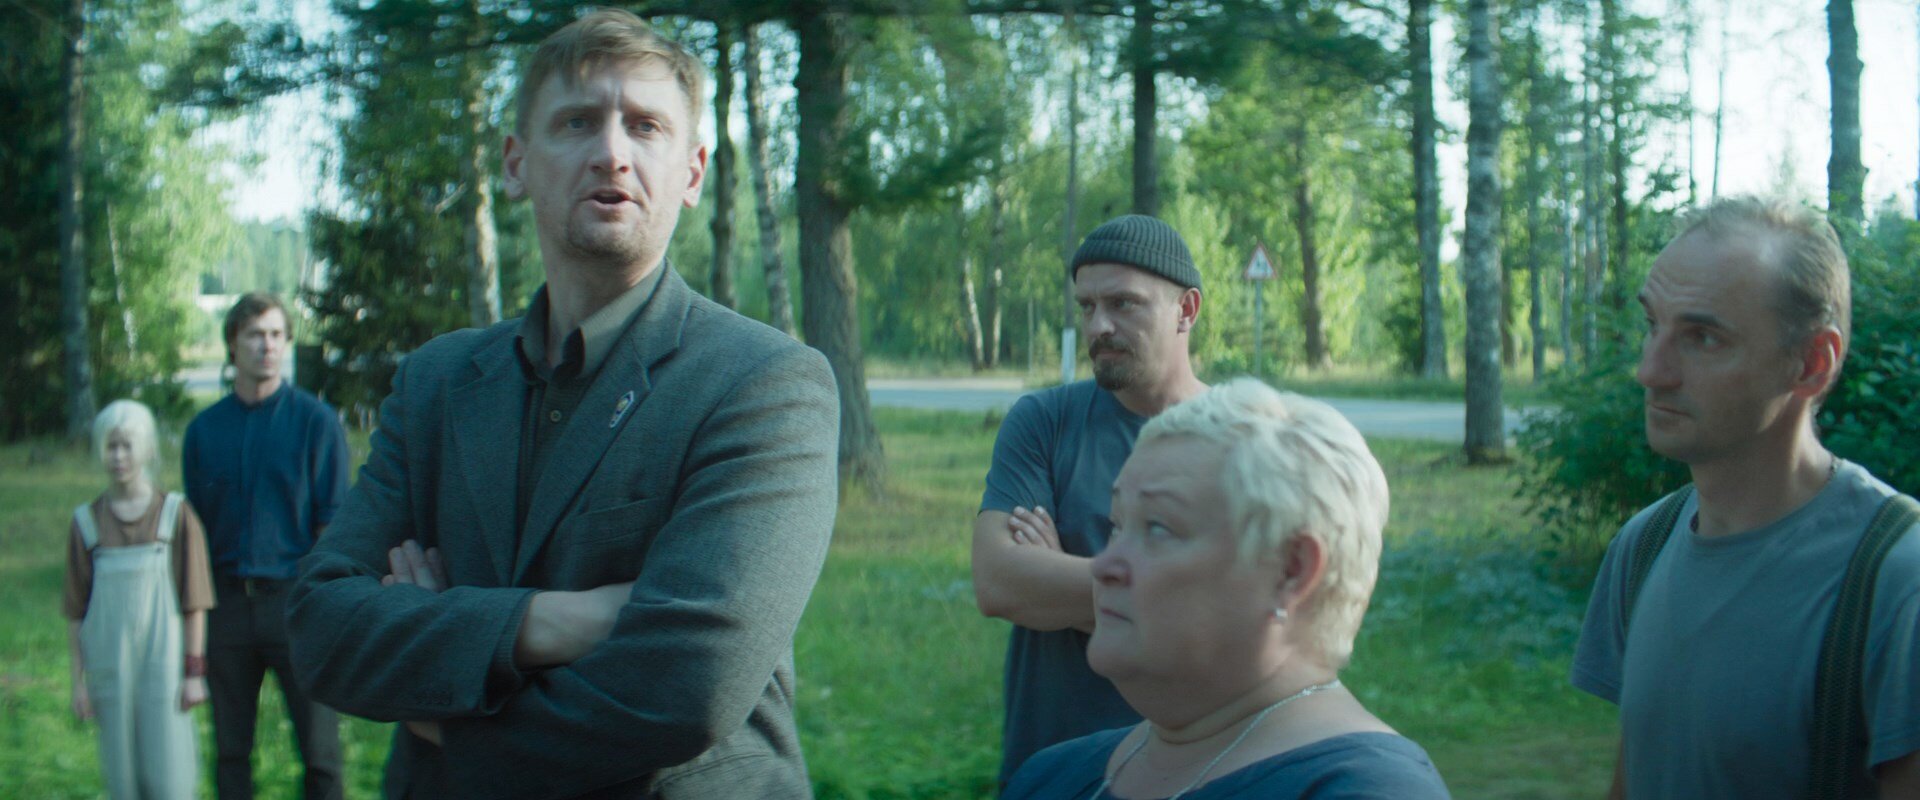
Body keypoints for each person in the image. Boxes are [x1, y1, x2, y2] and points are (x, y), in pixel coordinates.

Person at [284, 9, 839, 799]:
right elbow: (320, 628)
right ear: (516, 165)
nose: (612, 152)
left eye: (645, 125)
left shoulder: (764, 384)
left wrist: (440, 697)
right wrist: (558, 620)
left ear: (691, 174)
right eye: (577, 122)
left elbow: (689, 685)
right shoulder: (436, 383)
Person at [1571, 196, 1920, 798]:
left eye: (1703, 338)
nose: (1651, 371)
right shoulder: (1644, 547)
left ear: (1812, 363)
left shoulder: (1895, 580)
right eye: (1653, 325)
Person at [1004, 379, 1450, 799]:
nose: (1104, 566)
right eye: (1117, 525)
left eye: (1158, 528)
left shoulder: (1368, 790)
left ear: (1291, 571)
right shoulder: (1051, 775)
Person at [973, 213, 1208, 784]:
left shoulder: (1242, 438)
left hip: (1194, 769)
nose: (1098, 325)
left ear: (1185, 310)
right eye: (1086, 307)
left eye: (1123, 304)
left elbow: (1239, 618)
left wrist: (1059, 576)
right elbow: (999, 582)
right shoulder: (1045, 422)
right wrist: (1167, 598)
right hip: (1054, 766)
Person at [183, 291, 349, 800]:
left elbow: (333, 528)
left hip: (296, 604)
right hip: (227, 608)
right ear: (233, 344)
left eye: (277, 335)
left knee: (320, 754)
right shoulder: (203, 432)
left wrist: (323, 605)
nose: (268, 346)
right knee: (231, 753)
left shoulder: (316, 423)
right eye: (256, 335)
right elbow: (195, 536)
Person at [65, 399, 216, 800]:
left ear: (148, 449)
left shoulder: (176, 515)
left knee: (171, 778)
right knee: (122, 779)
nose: (118, 456)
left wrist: (194, 673)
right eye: (110, 446)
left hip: (164, 674)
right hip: (110, 672)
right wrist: (79, 683)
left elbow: (195, 602)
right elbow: (76, 612)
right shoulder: (86, 523)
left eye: (127, 446)